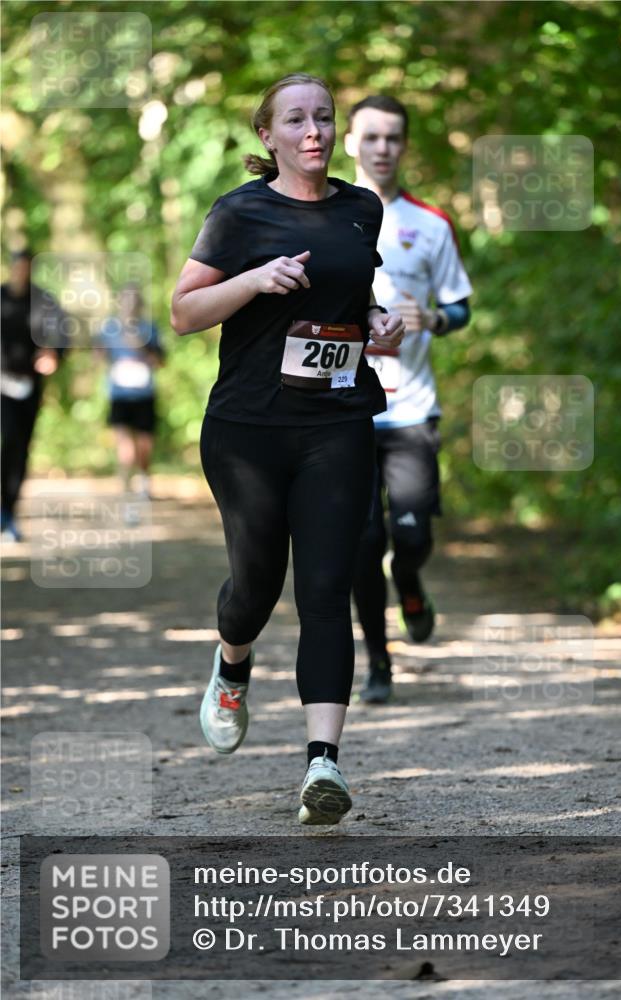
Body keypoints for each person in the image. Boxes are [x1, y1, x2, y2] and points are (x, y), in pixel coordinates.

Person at [170, 74, 404, 825]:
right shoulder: (238, 212)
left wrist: (378, 321)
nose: (314, 131)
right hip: (247, 431)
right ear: (267, 136)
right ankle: (231, 663)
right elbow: (183, 312)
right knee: (256, 587)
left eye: (324, 118)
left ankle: (322, 765)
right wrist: (253, 279)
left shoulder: (360, 208)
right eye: (296, 120)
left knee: (326, 589)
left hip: (336, 422)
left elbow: (351, 298)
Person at [344, 95, 473, 703]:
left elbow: (461, 306)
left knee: (411, 539)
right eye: (371, 137)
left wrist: (436, 320)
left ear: (404, 146)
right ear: (350, 143)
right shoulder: (325, 217)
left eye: (393, 138)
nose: (382, 148)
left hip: (412, 410)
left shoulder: (432, 224)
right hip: (344, 411)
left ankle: (411, 582)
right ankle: (378, 663)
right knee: (363, 543)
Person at [1, 249, 66, 541]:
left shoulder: (44, 301)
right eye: (18, 267)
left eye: (27, 268)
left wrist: (54, 354)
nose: (22, 273)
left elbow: (63, 333)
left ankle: (8, 513)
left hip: (28, 386)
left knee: (19, 447)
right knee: (7, 440)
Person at [98, 283, 164, 499]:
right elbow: (98, 356)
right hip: (119, 393)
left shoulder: (150, 328)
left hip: (144, 393)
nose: (130, 304)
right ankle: (125, 485)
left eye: (134, 299)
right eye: (126, 299)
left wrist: (140, 346)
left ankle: (144, 480)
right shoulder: (108, 328)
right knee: (124, 444)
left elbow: (160, 361)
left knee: (144, 444)